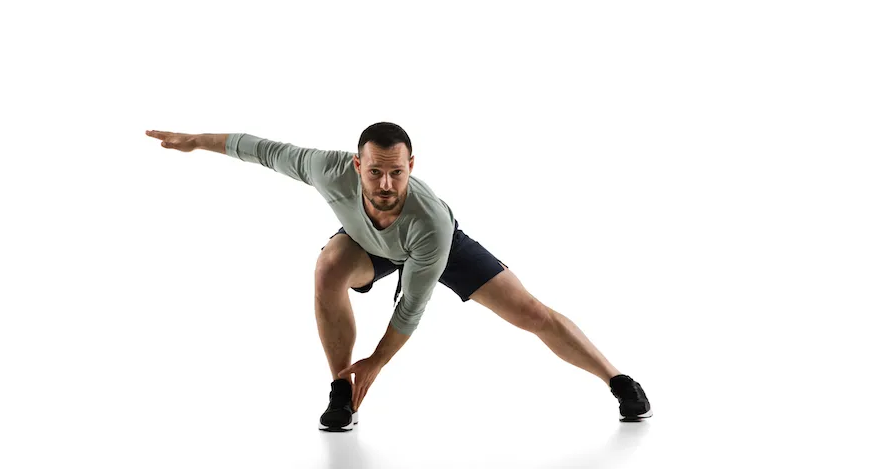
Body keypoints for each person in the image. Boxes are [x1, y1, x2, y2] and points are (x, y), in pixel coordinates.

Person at [145, 122, 652, 431]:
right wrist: (195, 140)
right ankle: (343, 390)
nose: (385, 185)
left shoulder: (429, 221)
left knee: (531, 312)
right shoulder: (326, 169)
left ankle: (618, 380)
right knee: (327, 269)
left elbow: (410, 307)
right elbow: (259, 148)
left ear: (412, 165)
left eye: (397, 173)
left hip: (431, 248)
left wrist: (377, 363)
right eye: (373, 173)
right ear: (355, 165)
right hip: (369, 245)